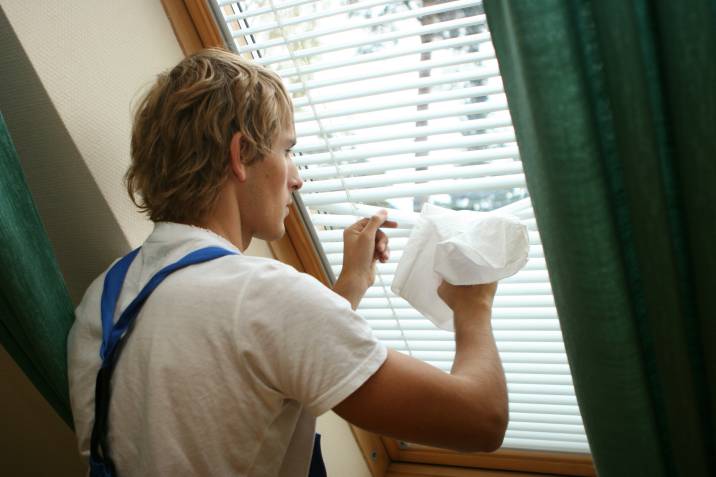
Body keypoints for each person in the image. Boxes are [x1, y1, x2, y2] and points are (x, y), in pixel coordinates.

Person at [67, 48, 508, 476]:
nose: (295, 178)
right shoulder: (263, 295)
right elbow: (481, 420)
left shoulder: (102, 297)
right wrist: (474, 305)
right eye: (286, 150)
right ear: (241, 156)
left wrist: (350, 286)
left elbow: (250, 367)